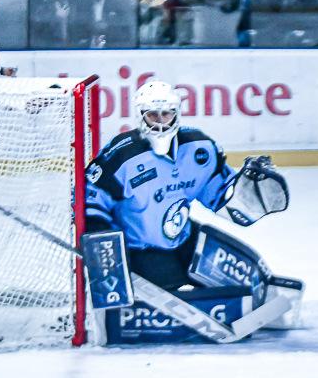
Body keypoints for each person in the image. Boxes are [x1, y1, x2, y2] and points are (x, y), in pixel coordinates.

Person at [84, 81, 297, 329]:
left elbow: (219, 196)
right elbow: (92, 199)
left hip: (185, 239)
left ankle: (261, 297)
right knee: (165, 276)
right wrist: (104, 248)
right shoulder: (122, 156)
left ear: (177, 113)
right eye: (153, 115)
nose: (160, 122)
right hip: (140, 254)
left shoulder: (199, 148)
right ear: (141, 116)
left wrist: (247, 190)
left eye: (166, 114)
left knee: (242, 273)